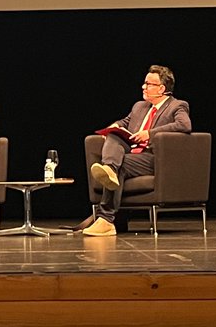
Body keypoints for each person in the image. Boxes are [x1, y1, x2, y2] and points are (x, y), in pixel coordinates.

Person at [82, 65, 191, 237]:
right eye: (144, 83)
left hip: (152, 158)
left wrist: (149, 133)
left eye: (148, 84)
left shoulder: (177, 106)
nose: (143, 87)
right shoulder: (139, 107)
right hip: (132, 152)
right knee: (114, 136)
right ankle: (109, 168)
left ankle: (106, 220)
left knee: (121, 165)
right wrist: (116, 125)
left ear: (162, 89)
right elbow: (125, 122)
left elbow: (184, 125)